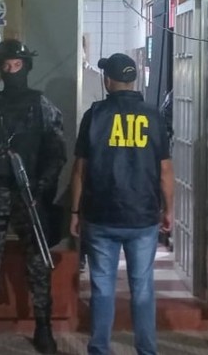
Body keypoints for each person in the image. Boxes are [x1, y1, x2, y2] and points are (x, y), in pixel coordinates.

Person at [0, 39, 67, 354]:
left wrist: (43, 185)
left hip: (30, 194)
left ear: (26, 67)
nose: (11, 70)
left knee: (37, 262)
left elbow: (57, 152)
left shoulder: (41, 105)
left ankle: (43, 327)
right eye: (6, 65)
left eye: (17, 64)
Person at [70, 53, 174, 355]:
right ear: (133, 79)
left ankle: (99, 349)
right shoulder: (153, 116)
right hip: (142, 216)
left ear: (107, 80)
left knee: (102, 287)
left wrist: (75, 211)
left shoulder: (94, 115)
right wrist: (169, 209)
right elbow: (165, 171)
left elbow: (80, 170)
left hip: (100, 215)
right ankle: (146, 350)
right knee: (142, 287)